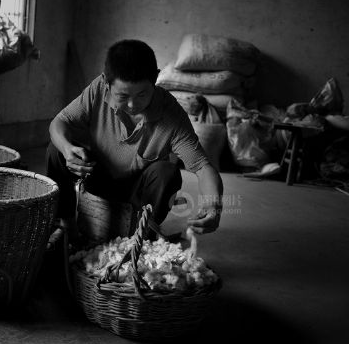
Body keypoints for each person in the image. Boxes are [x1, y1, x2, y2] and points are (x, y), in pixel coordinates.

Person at [46, 39, 223, 238]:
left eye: (142, 95)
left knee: (167, 173)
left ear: (155, 79)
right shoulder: (98, 90)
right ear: (106, 83)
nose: (132, 105)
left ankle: (142, 236)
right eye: (122, 96)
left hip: (138, 192)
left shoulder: (171, 114)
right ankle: (67, 227)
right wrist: (67, 150)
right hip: (97, 175)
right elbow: (60, 122)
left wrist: (213, 206)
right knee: (56, 149)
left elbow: (203, 167)